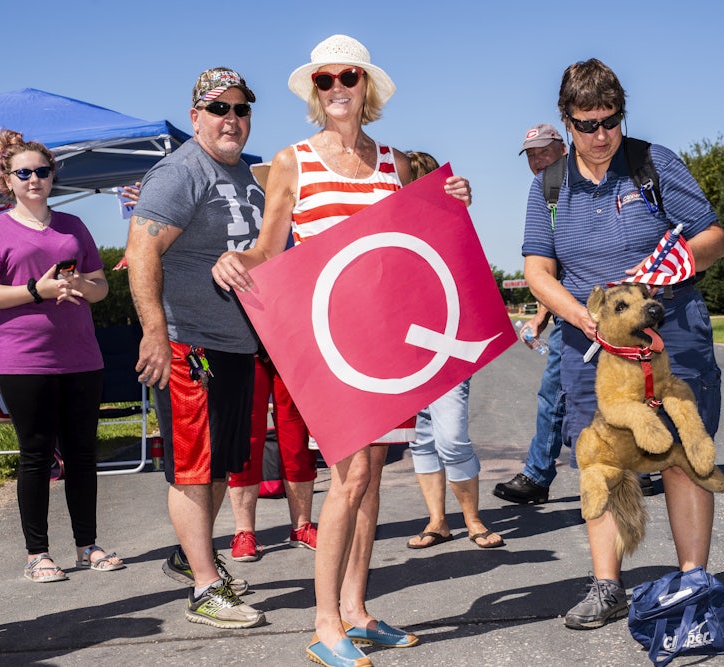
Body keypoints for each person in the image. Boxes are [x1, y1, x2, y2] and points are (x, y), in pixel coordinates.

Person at [212, 34, 472, 667]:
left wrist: (457, 201)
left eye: (347, 78)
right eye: (323, 80)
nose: (336, 90)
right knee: (351, 475)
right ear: (313, 92)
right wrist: (233, 259)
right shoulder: (293, 160)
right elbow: (271, 247)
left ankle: (356, 610)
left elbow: (427, 242)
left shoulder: (397, 163)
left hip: (389, 341)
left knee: (374, 476)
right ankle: (325, 623)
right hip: (332, 341)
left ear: (367, 87)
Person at [522, 58, 724, 630]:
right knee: (603, 461)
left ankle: (692, 582)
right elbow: (539, 269)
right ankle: (607, 586)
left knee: (685, 453)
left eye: (611, 120)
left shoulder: (652, 164)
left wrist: (676, 265)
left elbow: (712, 235)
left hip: (671, 335)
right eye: (587, 124)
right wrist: (582, 320)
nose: (601, 134)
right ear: (566, 121)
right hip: (590, 347)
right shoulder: (550, 186)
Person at [126, 67, 265, 629]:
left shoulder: (255, 174)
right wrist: (156, 333)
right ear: (196, 117)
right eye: (219, 109)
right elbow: (141, 253)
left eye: (241, 109)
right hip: (190, 344)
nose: (231, 119)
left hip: (235, 343)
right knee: (192, 467)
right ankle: (206, 588)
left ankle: (193, 558)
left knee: (216, 467)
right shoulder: (180, 171)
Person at [0, 130, 124, 584]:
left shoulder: (74, 226)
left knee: (81, 455)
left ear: (53, 174)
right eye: (24, 173)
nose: (34, 179)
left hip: (81, 356)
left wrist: (80, 287)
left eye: (42, 171)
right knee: (36, 456)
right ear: (7, 180)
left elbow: (101, 286)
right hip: (25, 359)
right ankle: (37, 553)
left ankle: (87, 545)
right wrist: (37, 290)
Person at [403, 151, 504, 551]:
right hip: (406, 347)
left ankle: (474, 520)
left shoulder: (444, 223)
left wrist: (459, 202)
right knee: (422, 437)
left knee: (452, 436)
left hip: (446, 343)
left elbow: (464, 259)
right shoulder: (389, 229)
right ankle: (438, 521)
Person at [494, 123, 569, 505]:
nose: (537, 160)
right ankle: (636, 471)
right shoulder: (545, 188)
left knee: (555, 394)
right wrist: (541, 317)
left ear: (563, 146)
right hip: (568, 307)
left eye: (544, 150)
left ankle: (538, 475)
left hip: (603, 303)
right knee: (560, 392)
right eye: (531, 155)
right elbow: (546, 262)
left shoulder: (581, 179)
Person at [227, 348, 318, 561]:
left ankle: (302, 526)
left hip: (287, 342)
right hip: (245, 342)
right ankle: (243, 532)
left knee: (297, 436)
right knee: (246, 435)